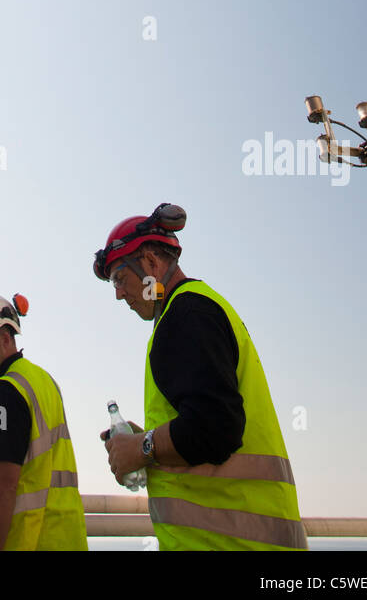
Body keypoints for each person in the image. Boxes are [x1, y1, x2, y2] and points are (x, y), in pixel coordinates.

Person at [94, 204, 307, 552]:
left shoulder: (186, 315)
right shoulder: (195, 309)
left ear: (150, 263)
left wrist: (143, 448)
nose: (118, 293)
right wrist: (144, 441)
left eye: (120, 278)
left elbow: (214, 428)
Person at [0, 293, 88, 551]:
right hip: (67, 537)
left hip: (30, 541)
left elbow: (5, 483)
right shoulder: (43, 380)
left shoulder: (6, 392)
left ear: (5, 339)